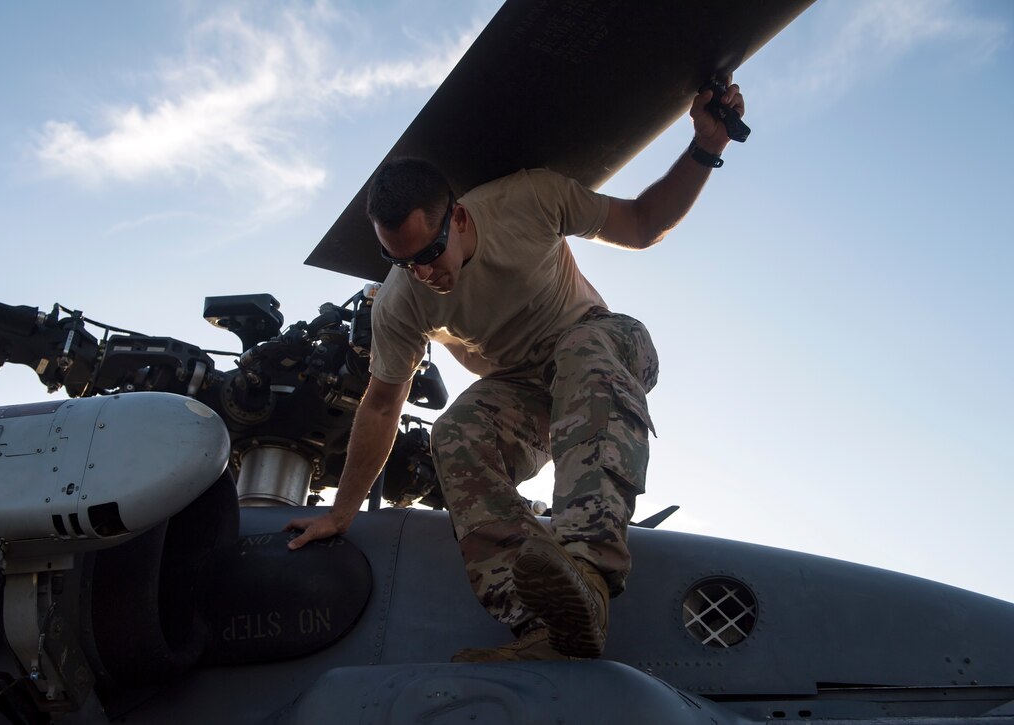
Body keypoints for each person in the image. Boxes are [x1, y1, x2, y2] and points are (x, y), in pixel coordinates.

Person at [285, 82, 745, 661]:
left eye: (429, 253)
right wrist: (342, 511)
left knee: (580, 352)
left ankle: (590, 569)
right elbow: (382, 404)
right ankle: (546, 624)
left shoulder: (529, 200)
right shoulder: (401, 301)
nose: (421, 274)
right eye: (400, 262)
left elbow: (643, 223)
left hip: (606, 343)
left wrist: (705, 148)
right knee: (453, 432)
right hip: (528, 389)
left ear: (456, 218)